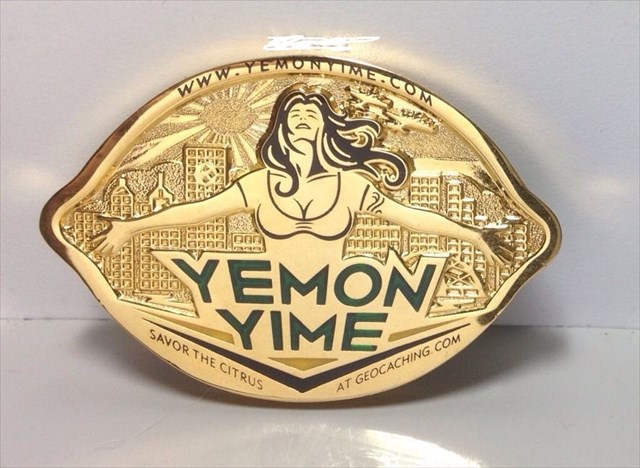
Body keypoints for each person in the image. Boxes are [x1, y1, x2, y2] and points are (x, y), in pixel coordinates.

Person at [93, 84, 510, 266]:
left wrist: (473, 235)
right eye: (296, 113)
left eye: (314, 113)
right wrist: (131, 226)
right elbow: (198, 211)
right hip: (269, 316)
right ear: (282, 128)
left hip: (342, 310)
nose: (305, 117)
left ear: (328, 128)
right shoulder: (258, 184)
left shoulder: (351, 185)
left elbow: (410, 217)